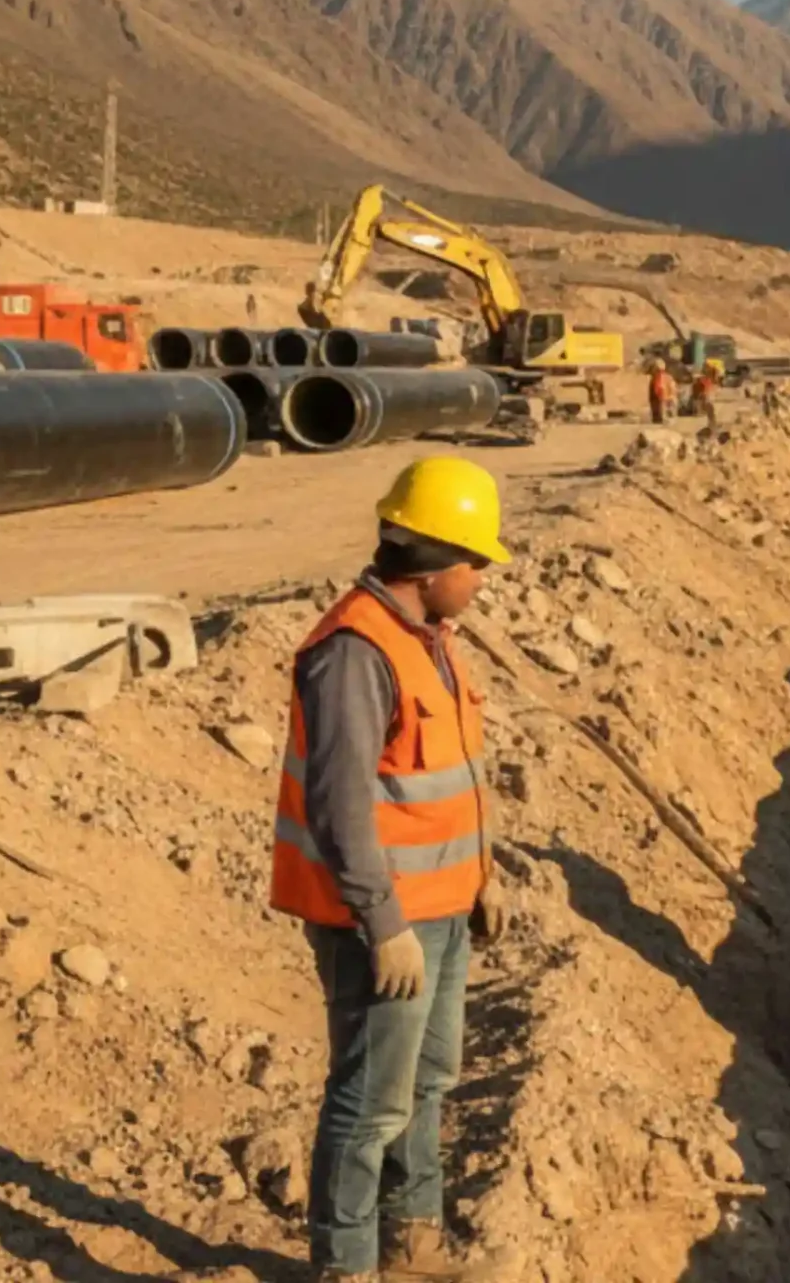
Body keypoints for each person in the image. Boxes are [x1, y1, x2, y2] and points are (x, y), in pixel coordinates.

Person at [273, 456, 517, 1282]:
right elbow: (339, 805)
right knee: (370, 1099)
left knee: (429, 1079)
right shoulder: (353, 652)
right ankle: (346, 1264)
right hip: (384, 923)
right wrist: (384, 924)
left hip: (443, 909)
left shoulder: (430, 639)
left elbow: (444, 774)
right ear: (436, 562)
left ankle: (411, 1241)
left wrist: (481, 875)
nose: (483, 576)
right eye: (477, 560)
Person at [647, 361, 674, 425]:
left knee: (660, 408)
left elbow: (659, 388)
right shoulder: (668, 376)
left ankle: (661, 418)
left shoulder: (658, 377)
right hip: (667, 397)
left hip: (661, 397)